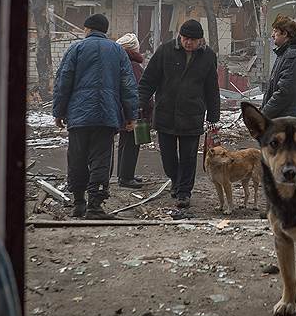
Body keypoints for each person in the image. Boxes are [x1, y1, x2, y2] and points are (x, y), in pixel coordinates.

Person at [53, 13, 137, 219]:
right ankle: (95, 206)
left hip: (79, 115)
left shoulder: (76, 49)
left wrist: (58, 111)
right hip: (106, 115)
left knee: (77, 158)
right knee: (101, 159)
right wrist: (130, 115)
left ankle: (79, 203)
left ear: (87, 29)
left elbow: (63, 82)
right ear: (105, 30)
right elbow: (128, 85)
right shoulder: (117, 51)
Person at [138, 19, 220, 208]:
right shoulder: (165, 51)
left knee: (189, 157)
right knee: (168, 157)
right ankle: (175, 179)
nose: (188, 42)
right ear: (179, 36)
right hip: (166, 113)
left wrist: (213, 116)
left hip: (192, 114)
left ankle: (184, 192)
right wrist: (139, 102)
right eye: (185, 38)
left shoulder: (208, 56)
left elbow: (211, 88)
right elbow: (148, 79)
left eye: (193, 39)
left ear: (201, 40)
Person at [261, 14, 296, 118]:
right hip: (280, 119)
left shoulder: (292, 57)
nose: (272, 35)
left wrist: (262, 116)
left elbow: (284, 92)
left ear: (284, 33)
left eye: (275, 31)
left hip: (284, 122)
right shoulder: (284, 54)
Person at [115, 33, 148, 189]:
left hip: (124, 110)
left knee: (125, 142)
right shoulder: (132, 65)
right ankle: (126, 177)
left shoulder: (121, 62)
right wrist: (135, 112)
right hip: (132, 110)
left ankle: (124, 174)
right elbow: (135, 90)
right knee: (131, 144)